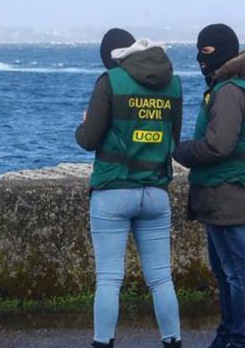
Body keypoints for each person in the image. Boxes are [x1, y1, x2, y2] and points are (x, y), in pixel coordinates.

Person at [76, 28, 183, 348]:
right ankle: (173, 341)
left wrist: (83, 124)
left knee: (109, 279)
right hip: (155, 193)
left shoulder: (110, 82)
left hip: (112, 192)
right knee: (162, 279)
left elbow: (88, 139)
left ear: (111, 57)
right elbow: (173, 141)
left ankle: (103, 343)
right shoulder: (173, 84)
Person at [174, 24, 245, 348]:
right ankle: (227, 333)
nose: (201, 60)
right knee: (227, 274)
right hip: (222, 194)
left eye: (207, 52)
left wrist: (180, 149)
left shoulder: (229, 90)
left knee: (235, 275)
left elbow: (219, 145)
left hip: (227, 195)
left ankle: (236, 336)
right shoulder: (228, 85)